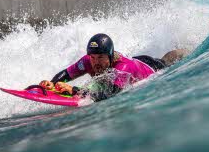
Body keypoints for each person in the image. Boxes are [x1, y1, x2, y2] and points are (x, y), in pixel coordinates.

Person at [39, 33, 188, 101]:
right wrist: (52, 83)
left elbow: (110, 93)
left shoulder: (122, 68)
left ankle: (185, 49)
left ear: (109, 57)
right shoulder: (88, 60)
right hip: (136, 61)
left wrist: (74, 91)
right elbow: (66, 73)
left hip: (151, 66)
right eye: (93, 58)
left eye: (101, 58)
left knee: (168, 59)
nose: (95, 62)